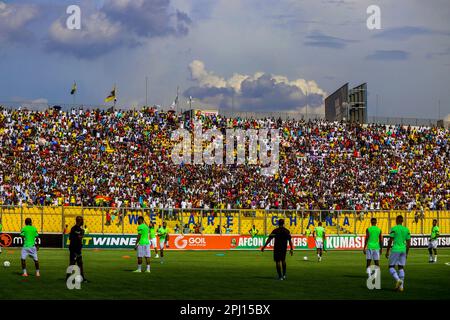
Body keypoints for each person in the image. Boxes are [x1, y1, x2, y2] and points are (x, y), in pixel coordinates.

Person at [385, 215, 411, 292]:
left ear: (396, 220)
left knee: (391, 266)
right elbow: (409, 243)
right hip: (403, 249)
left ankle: (398, 280)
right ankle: (401, 287)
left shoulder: (394, 228)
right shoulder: (406, 229)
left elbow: (390, 240)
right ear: (402, 221)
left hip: (396, 249)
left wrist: (387, 251)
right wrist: (406, 253)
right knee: (401, 267)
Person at [68, 216, 87, 282]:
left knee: (79, 263)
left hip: (76, 249)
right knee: (73, 263)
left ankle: (82, 278)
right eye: (81, 220)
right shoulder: (76, 229)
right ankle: (68, 278)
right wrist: (79, 236)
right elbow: (76, 238)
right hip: (74, 249)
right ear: (80, 221)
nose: (82, 222)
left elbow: (70, 238)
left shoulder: (74, 229)